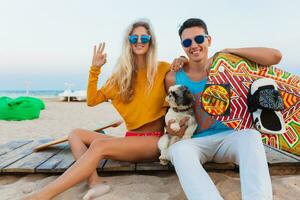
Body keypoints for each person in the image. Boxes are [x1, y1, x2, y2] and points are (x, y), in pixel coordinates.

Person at [25, 19, 184, 200]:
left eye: (144, 37)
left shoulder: (163, 68)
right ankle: (95, 183)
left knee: (99, 145)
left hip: (154, 142)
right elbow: (92, 100)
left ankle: (41, 196)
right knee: (75, 133)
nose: (139, 41)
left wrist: (183, 59)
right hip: (130, 140)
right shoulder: (121, 77)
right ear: (128, 42)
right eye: (134, 38)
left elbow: (186, 78)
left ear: (150, 41)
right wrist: (95, 69)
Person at [165, 18, 282, 200]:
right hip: (196, 142)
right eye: (187, 42)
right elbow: (170, 114)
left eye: (199, 39)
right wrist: (173, 128)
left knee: (251, 135)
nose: (194, 45)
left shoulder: (228, 66)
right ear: (182, 46)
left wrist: (229, 51)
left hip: (230, 138)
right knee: (178, 151)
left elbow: (275, 56)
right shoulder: (173, 78)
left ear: (209, 40)